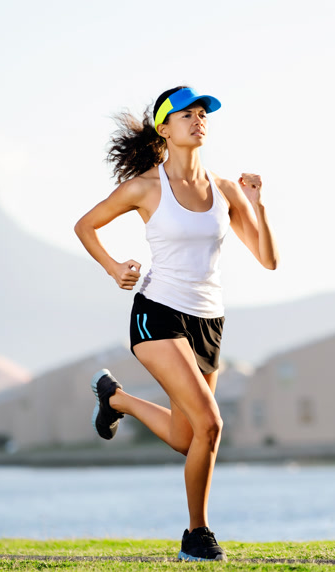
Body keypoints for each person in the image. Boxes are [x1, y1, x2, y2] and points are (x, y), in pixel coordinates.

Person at [74, 86, 278, 561]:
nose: (198, 119)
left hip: (209, 322)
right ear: (165, 128)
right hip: (157, 314)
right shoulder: (145, 187)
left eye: (203, 113)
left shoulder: (225, 189)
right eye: (186, 113)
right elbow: (85, 225)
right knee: (211, 424)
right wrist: (113, 268)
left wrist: (256, 203)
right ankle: (197, 535)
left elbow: (267, 258)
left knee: (189, 438)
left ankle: (116, 399)